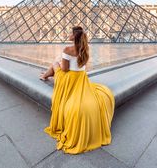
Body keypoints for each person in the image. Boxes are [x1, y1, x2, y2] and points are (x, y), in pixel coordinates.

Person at [40, 25, 115, 154]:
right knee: (57, 62)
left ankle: (44, 76)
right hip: (81, 79)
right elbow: (82, 66)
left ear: (74, 36)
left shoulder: (67, 49)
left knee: (55, 63)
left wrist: (61, 62)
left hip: (68, 80)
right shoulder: (85, 48)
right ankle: (45, 75)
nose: (68, 34)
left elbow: (64, 70)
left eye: (70, 33)